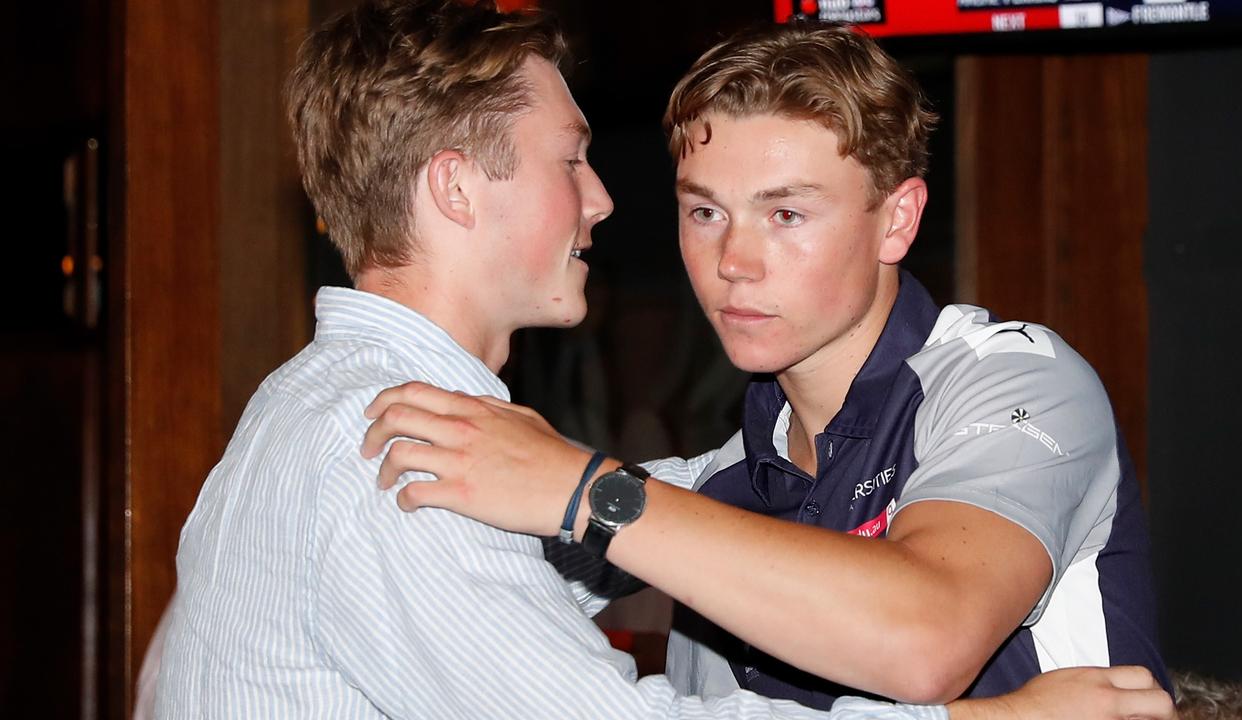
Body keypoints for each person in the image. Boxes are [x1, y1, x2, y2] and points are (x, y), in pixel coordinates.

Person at [150, 1, 1173, 718]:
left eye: (785, 212)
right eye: (701, 211)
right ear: (459, 189)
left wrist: (590, 490)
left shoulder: (1010, 382)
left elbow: (927, 633)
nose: (731, 258)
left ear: (896, 217)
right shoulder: (404, 441)